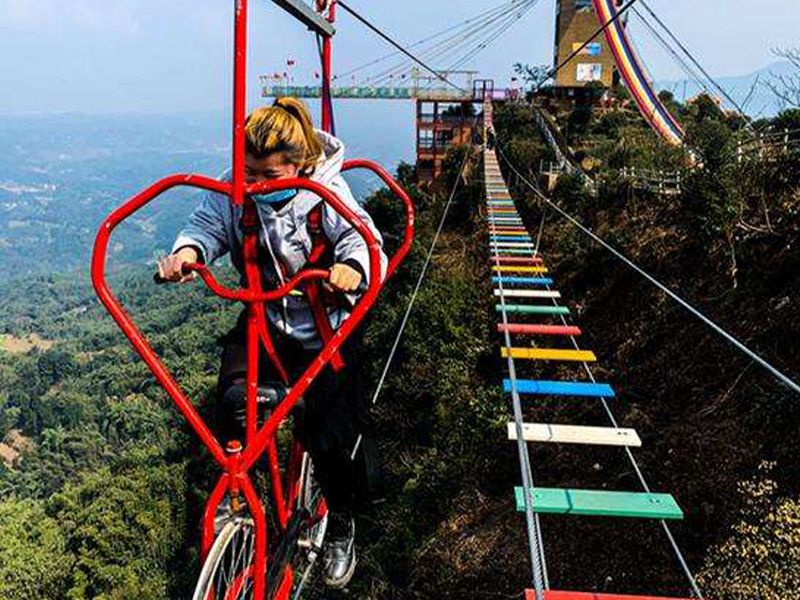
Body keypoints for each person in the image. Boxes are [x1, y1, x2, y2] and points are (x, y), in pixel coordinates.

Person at [157, 97, 385, 589]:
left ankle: (341, 521)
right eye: (250, 173)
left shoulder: (326, 193)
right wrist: (187, 253)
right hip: (266, 321)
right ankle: (242, 501)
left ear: (299, 164)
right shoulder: (237, 190)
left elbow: (366, 243)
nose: (256, 186)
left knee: (334, 443)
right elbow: (207, 225)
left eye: (267, 176)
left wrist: (353, 269)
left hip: (326, 331)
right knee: (236, 401)